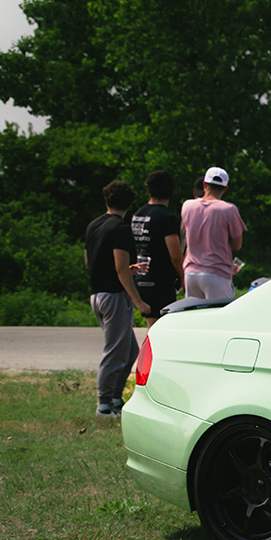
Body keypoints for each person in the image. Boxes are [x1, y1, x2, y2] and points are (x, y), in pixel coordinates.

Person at [85, 180, 149, 418]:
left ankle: (115, 398)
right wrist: (139, 302)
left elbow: (89, 262)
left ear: (106, 200)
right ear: (129, 203)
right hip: (114, 296)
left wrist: (127, 270)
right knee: (114, 351)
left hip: (96, 294)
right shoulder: (121, 228)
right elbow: (121, 268)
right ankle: (103, 405)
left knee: (130, 351)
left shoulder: (94, 225)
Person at [180, 166, 246, 301]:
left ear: (204, 184)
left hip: (191, 272)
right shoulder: (229, 210)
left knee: (194, 317)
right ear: (225, 188)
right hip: (216, 273)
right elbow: (237, 245)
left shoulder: (187, 206)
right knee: (219, 317)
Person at [130, 170, 185, 329]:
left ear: (148, 190)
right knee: (159, 329)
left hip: (140, 277)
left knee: (151, 325)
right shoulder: (166, 218)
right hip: (160, 281)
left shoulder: (137, 215)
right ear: (171, 191)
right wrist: (182, 276)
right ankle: (148, 354)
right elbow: (175, 255)